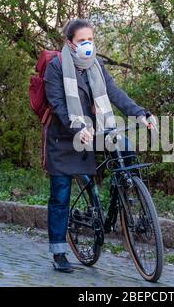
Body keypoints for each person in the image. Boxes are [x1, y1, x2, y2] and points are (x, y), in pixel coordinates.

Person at [43, 18, 154, 273]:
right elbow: (58, 105)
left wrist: (140, 114)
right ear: (70, 43)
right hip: (64, 137)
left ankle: (131, 195)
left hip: (94, 131)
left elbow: (114, 93)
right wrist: (78, 128)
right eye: (82, 41)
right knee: (60, 194)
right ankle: (59, 252)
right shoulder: (56, 67)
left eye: (90, 40)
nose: (87, 45)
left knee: (125, 146)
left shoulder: (96, 65)